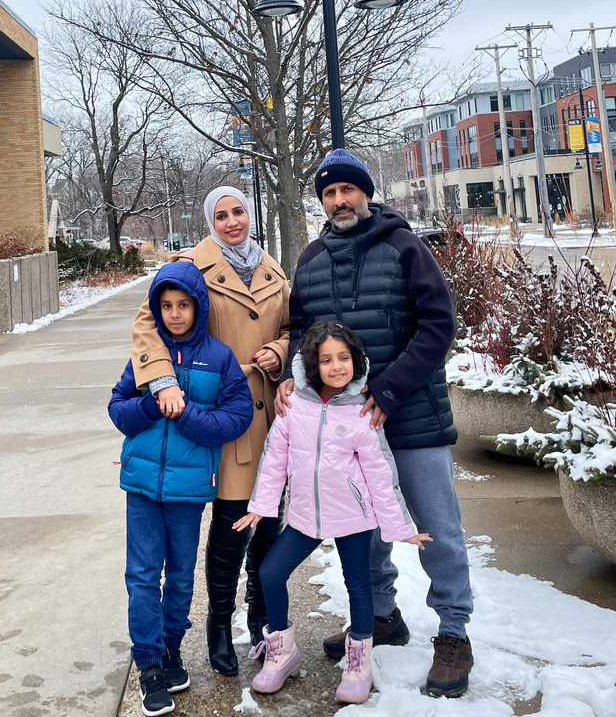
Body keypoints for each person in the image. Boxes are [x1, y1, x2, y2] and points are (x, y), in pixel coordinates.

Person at [277, 148, 474, 700]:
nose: (339, 201)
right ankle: (384, 615)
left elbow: (439, 325)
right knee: (361, 531)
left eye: (348, 190)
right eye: (329, 193)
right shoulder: (312, 259)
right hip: (345, 426)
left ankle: (454, 631)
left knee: (436, 527)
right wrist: (296, 374)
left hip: (411, 417)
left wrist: (388, 389)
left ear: (366, 193)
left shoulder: (405, 246)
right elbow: (300, 330)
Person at [131, 186, 290, 676]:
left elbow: (293, 327)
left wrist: (281, 354)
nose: (231, 221)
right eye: (220, 215)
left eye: (238, 211)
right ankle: (219, 625)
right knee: (230, 525)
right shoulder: (188, 265)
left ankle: (264, 622)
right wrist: (162, 382)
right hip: (217, 410)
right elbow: (146, 324)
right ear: (209, 221)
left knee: (269, 524)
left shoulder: (274, 270)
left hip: (273, 416)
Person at [234, 322, 431, 704]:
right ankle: (282, 650)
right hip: (306, 516)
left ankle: (358, 663)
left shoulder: (362, 412)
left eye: (343, 358)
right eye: (326, 360)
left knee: (359, 587)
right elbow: (275, 458)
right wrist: (261, 507)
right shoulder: (294, 406)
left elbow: (380, 474)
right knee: (270, 573)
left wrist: (400, 526)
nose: (336, 366)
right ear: (312, 365)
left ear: (356, 362)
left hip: (353, 518)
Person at [109, 261, 253, 716]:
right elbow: (117, 408)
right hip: (142, 487)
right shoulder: (147, 358)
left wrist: (184, 412)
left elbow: (237, 417)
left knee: (182, 573)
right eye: (166, 305)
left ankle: (171, 646)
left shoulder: (219, 357)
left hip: (189, 492)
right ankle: (148, 660)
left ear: (199, 307)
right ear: (156, 308)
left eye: (183, 305)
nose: (174, 314)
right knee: (142, 574)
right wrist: (155, 402)